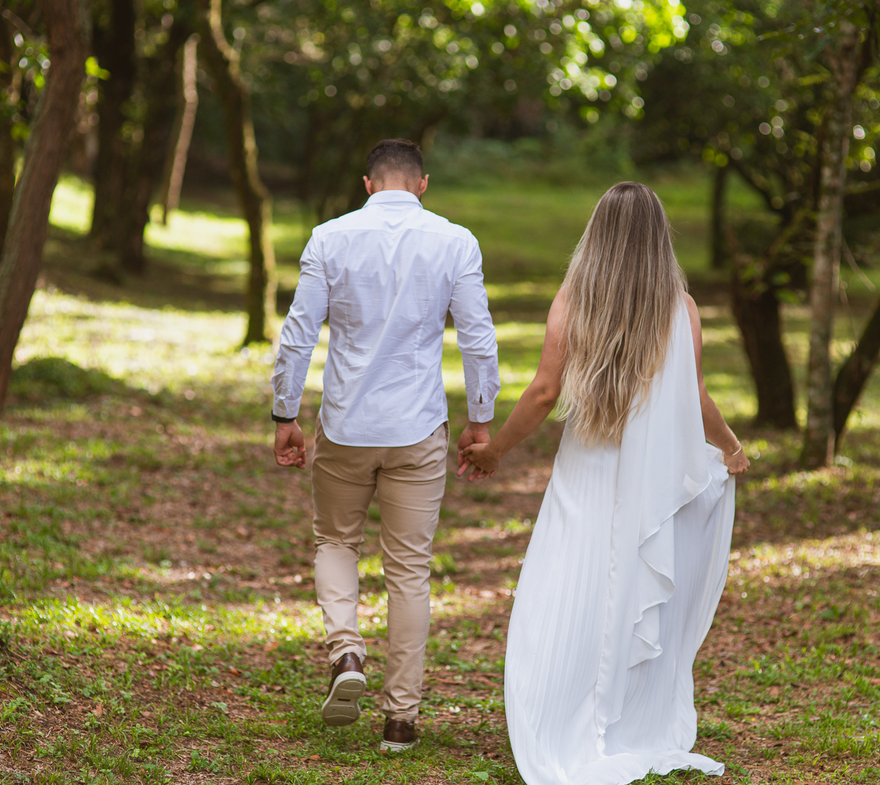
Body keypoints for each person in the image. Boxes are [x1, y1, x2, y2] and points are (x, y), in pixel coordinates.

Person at [461, 182, 750, 784]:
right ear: (659, 237)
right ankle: (624, 720)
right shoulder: (681, 308)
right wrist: (730, 446)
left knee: (565, 589)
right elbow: (695, 398)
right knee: (630, 592)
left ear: (598, 232)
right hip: (646, 480)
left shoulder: (576, 298)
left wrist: (496, 452)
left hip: (586, 472)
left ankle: (562, 716)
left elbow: (545, 391)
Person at [270, 139, 500, 752]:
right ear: (422, 184)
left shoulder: (329, 238)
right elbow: (477, 338)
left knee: (335, 541)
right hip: (418, 428)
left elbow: (298, 333)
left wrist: (285, 412)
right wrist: (480, 420)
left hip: (345, 425)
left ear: (368, 184)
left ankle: (346, 652)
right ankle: (401, 718)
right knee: (409, 571)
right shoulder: (456, 241)